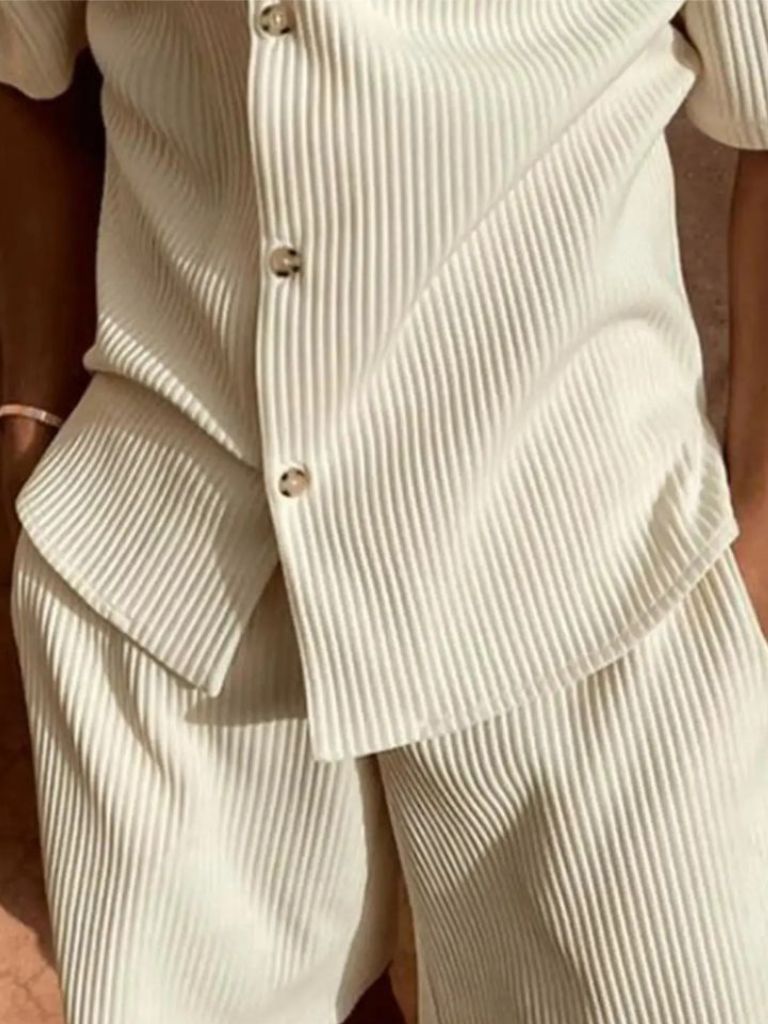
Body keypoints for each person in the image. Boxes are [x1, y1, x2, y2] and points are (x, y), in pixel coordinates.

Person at [1, 1, 767, 1022]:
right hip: (172, 592)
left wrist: (758, 557)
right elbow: (24, 72)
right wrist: (27, 435)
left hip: (593, 583)